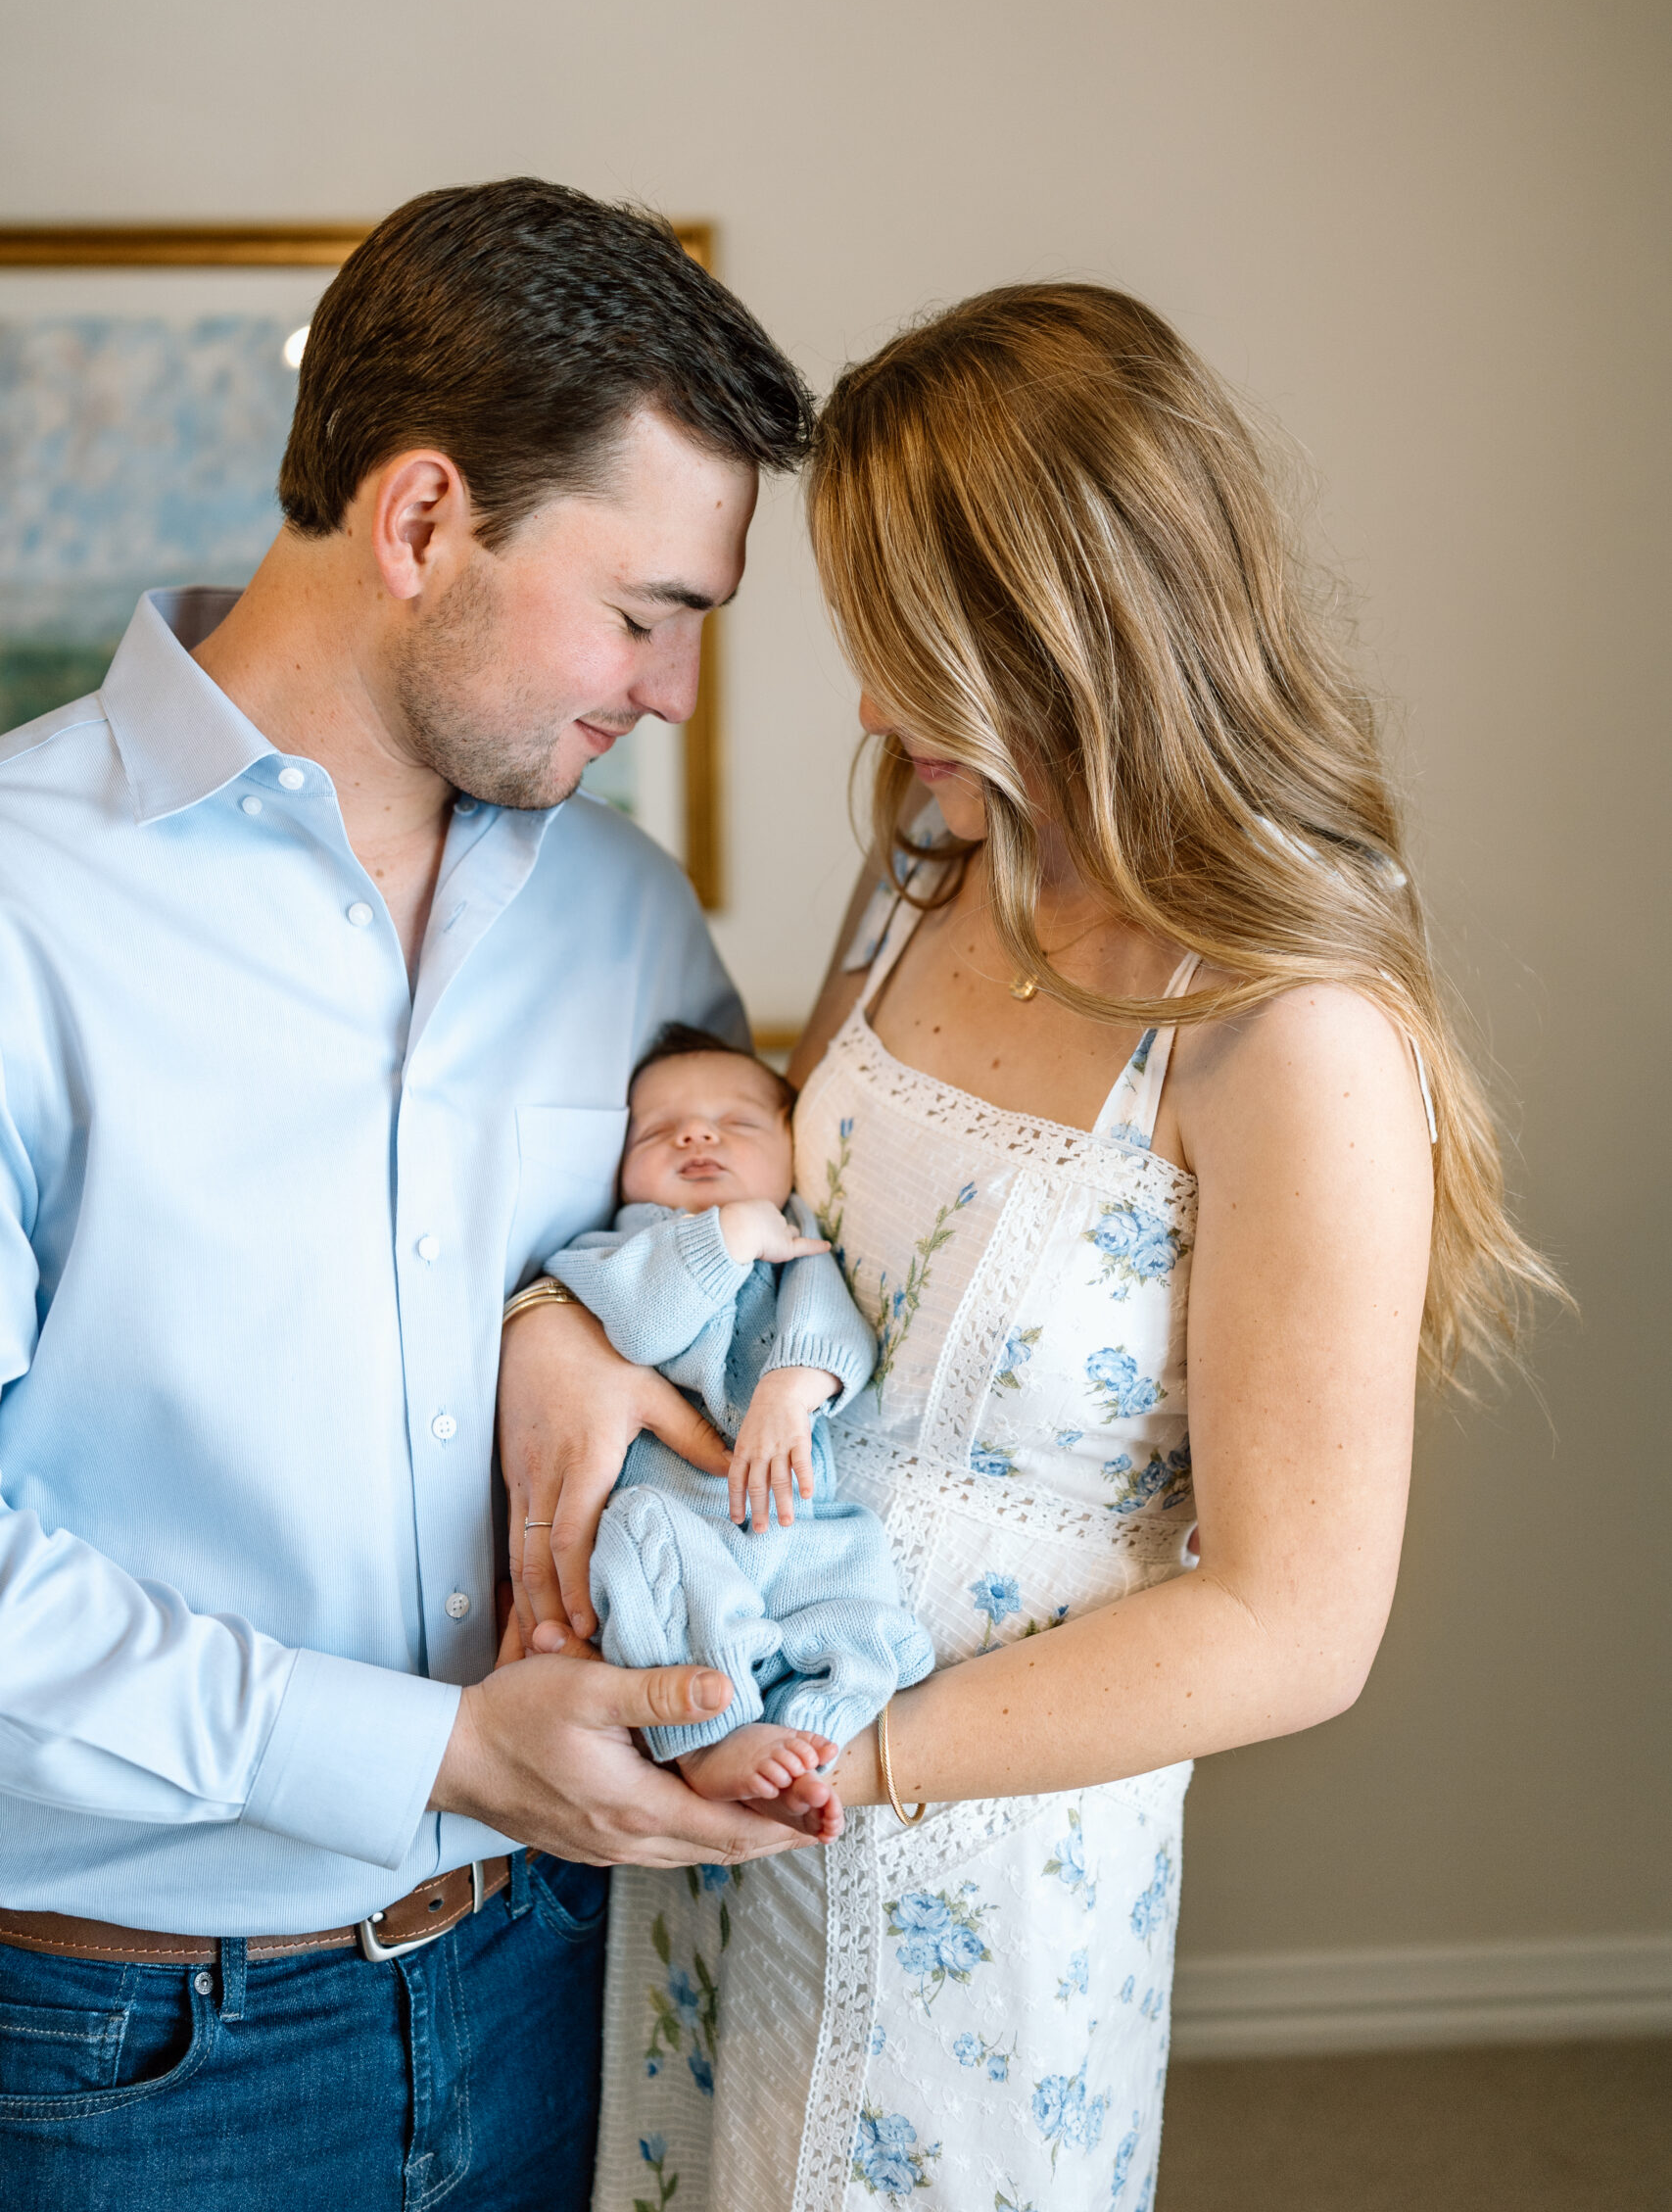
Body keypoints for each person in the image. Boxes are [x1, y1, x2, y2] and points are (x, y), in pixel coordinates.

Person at [504, 283, 1559, 2210]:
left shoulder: (1284, 1034)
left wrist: (852, 1762)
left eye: (908, 651)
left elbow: (1292, 1623)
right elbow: (787, 1236)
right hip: (733, 1765)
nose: (869, 707)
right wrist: (583, 1345)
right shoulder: (924, 860)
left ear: (1059, 637)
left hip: (967, 1877)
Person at [0, 178, 826, 2211]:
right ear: (423, 520)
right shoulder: (19, 911)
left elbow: (721, 1305)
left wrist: (578, 1327)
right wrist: (428, 1750)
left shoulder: (631, 922)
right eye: (647, 613)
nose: (673, 694)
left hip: (551, 1970)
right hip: (125, 2056)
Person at [547, 1026, 935, 1828]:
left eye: (739, 1122)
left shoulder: (799, 1248)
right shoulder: (611, 1249)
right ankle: (707, 1736)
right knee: (638, 1541)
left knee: (863, 1605)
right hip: (682, 1523)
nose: (696, 1134)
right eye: (658, 1130)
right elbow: (644, 1325)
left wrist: (789, 1394)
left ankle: (808, 1739)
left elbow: (837, 1335)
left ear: (793, 1147)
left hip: (797, 1518)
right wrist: (731, 1231)